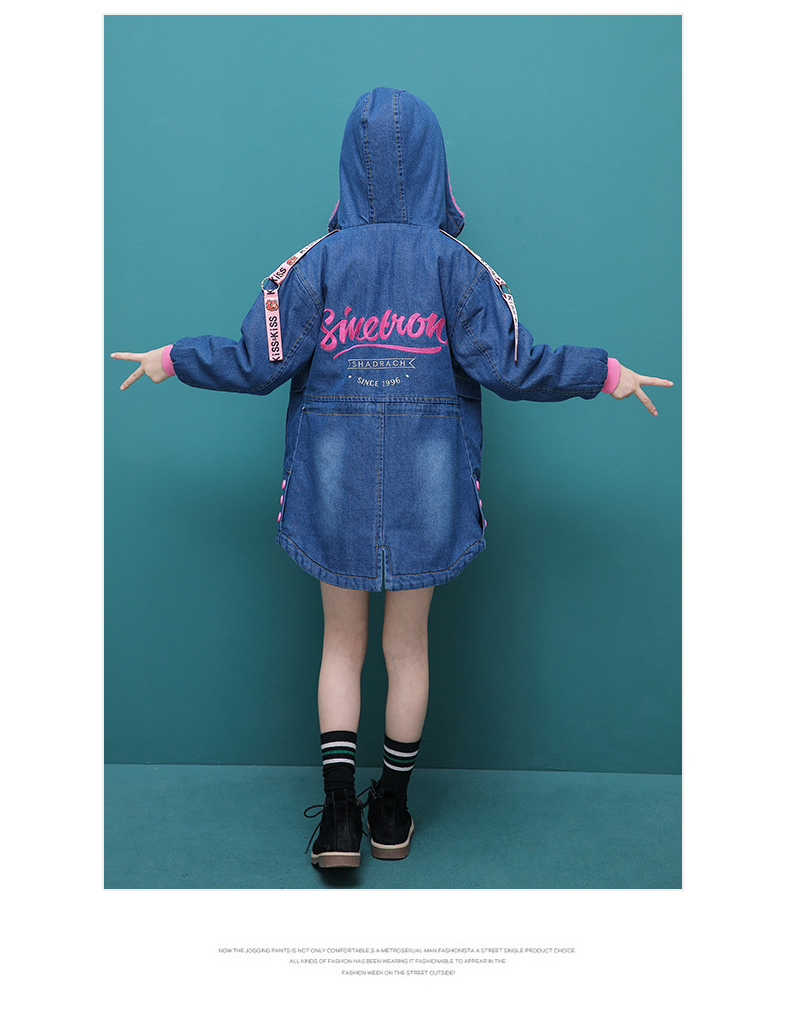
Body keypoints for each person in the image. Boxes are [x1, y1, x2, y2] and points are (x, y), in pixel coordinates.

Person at [112, 87, 672, 870]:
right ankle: (393, 810)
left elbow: (256, 361)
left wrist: (172, 358)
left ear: (348, 165)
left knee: (341, 644)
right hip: (430, 474)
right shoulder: (460, 267)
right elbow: (512, 365)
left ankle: (339, 819)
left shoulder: (315, 263)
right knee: (408, 647)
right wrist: (604, 373)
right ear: (437, 167)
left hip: (332, 475)